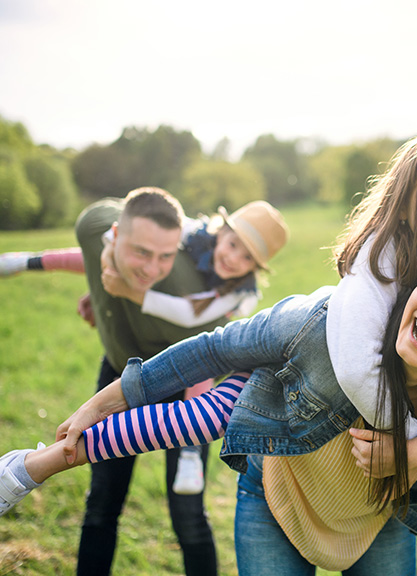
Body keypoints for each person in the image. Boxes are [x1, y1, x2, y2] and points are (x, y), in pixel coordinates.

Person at [0, 238, 417, 576]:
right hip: (279, 503)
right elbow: (184, 412)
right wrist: (45, 461)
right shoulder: (318, 351)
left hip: (372, 525)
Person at [0, 187, 288, 576]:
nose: (233, 259)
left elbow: (188, 314)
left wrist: (130, 292)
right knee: (102, 501)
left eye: (247, 258)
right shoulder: (181, 239)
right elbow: (120, 241)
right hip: (123, 372)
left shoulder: (238, 295)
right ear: (221, 229)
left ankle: (188, 456)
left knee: (188, 512)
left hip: (186, 383)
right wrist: (102, 289)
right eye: (233, 244)